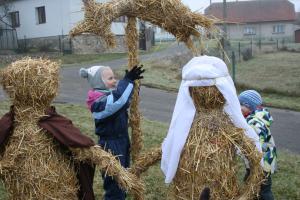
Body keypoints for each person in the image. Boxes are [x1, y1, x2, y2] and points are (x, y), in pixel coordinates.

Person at [80, 65, 144, 200]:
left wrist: (134, 85)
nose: (115, 80)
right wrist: (127, 81)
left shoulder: (108, 95)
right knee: (115, 184)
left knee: (124, 181)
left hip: (122, 141)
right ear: (99, 82)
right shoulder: (98, 102)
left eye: (115, 77)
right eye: (110, 78)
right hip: (111, 146)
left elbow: (125, 101)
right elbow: (119, 101)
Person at [239, 90, 277, 200]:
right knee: (250, 182)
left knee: (264, 189)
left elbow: (257, 142)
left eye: (241, 104)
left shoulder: (255, 122)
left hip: (262, 162)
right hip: (260, 161)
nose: (238, 107)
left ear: (249, 106)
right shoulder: (254, 117)